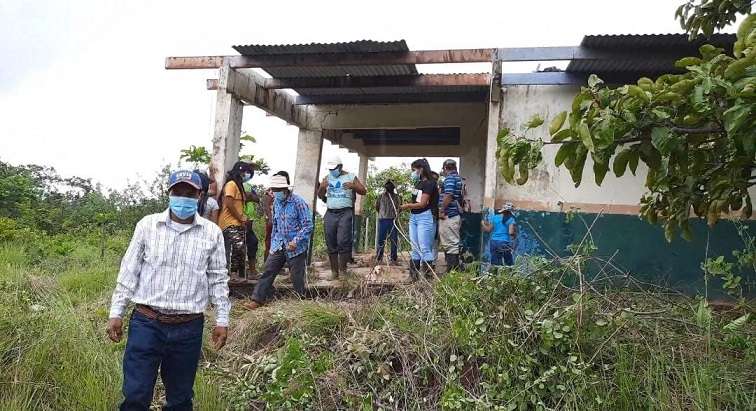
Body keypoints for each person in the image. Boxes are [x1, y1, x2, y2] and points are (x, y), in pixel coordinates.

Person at [106, 170, 230, 411]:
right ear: (169, 194)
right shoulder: (147, 226)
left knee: (180, 399)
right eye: (178, 192)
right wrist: (116, 313)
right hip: (147, 322)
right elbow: (129, 271)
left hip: (188, 327)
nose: (183, 198)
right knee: (135, 395)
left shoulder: (211, 233)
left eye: (189, 193)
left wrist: (222, 319)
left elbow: (217, 278)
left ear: (199, 196)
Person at [243, 174, 313, 309]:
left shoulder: (298, 202)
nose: (275, 193)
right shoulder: (276, 204)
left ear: (284, 189)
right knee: (268, 270)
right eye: (273, 190)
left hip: (296, 247)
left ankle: (301, 303)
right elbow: (275, 225)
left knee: (296, 276)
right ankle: (257, 299)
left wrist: (296, 241)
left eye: (277, 190)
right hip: (279, 244)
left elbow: (307, 225)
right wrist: (273, 245)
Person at [317, 155, 367, 279]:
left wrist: (353, 186)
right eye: (330, 169)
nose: (331, 171)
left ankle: (343, 270)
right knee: (331, 241)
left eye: (333, 168)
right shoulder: (327, 178)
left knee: (343, 241)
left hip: (345, 212)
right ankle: (334, 272)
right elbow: (320, 195)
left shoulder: (351, 176)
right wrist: (322, 187)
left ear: (340, 167)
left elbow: (363, 191)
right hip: (330, 213)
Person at [400, 158, 439, 280]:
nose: (413, 172)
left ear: (421, 169)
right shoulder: (418, 183)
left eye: (414, 170)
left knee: (424, 248)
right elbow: (416, 200)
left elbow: (422, 203)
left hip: (425, 216)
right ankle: (414, 277)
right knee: (415, 248)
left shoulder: (430, 183)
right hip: (414, 217)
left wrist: (406, 206)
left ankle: (427, 278)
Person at [218, 161, 255, 279]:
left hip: (237, 223)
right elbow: (228, 203)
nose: (247, 175)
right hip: (229, 222)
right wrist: (240, 217)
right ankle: (233, 274)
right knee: (238, 246)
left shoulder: (239, 186)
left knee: (240, 248)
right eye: (246, 173)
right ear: (240, 172)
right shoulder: (231, 185)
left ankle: (237, 274)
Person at [438, 159, 464, 272]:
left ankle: (452, 271)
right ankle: (452, 270)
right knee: (451, 243)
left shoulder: (450, 178)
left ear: (445, 168)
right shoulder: (458, 178)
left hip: (450, 215)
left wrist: (442, 210)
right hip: (454, 215)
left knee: (451, 244)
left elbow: (448, 195)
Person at [263, 171, 289, 259]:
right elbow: (266, 205)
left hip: (283, 221)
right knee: (270, 242)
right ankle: (267, 264)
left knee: (282, 243)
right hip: (272, 220)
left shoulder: (286, 192)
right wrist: (271, 219)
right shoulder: (271, 191)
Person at [375, 179, 400, 265]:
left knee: (394, 240)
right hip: (383, 220)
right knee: (381, 240)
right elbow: (377, 207)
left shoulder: (397, 197)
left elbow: (399, 208)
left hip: (393, 220)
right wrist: (382, 214)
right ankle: (379, 258)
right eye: (387, 185)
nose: (389, 187)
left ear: (393, 187)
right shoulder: (381, 196)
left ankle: (393, 259)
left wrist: (395, 215)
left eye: (391, 185)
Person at [242, 180, 261, 276]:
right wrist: (248, 196)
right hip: (241, 221)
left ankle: (252, 270)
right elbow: (243, 197)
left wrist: (250, 196)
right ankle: (241, 272)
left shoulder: (248, 185)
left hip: (249, 222)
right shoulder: (235, 184)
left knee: (253, 242)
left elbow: (256, 198)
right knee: (240, 247)